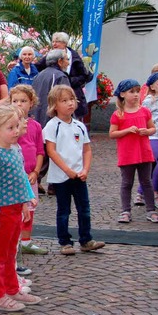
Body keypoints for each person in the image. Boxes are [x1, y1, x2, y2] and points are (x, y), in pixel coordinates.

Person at [0, 105, 41, 311]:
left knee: (10, 253)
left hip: (16, 208)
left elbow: (21, 178)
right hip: (3, 211)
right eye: (11, 127)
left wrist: (26, 200)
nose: (16, 131)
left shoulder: (15, 150)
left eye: (17, 126)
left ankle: (12, 288)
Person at [43, 85, 105, 255]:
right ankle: (65, 241)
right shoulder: (52, 126)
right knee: (64, 210)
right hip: (61, 177)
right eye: (64, 101)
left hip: (79, 175)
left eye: (71, 99)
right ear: (54, 105)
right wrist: (66, 170)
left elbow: (87, 150)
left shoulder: (79, 126)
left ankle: (86, 239)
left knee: (84, 209)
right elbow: (51, 151)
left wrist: (85, 169)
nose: (70, 103)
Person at [109, 79, 158, 224]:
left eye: (138, 91)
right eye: (132, 92)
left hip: (144, 153)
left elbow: (153, 128)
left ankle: (151, 210)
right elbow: (112, 133)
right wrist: (126, 130)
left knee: (147, 182)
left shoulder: (145, 111)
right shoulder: (118, 114)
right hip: (127, 154)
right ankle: (125, 210)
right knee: (127, 183)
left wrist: (147, 131)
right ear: (122, 94)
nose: (136, 95)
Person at [10, 85, 47, 255]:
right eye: (15, 101)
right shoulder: (9, 125)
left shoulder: (36, 126)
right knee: (16, 209)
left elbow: (40, 151)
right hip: (15, 177)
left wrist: (36, 172)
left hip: (31, 176)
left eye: (23, 101)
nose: (19, 104)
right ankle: (14, 240)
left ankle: (26, 241)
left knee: (30, 209)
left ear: (31, 103)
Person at [36, 32, 93, 119]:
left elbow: (84, 76)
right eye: (53, 41)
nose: (54, 44)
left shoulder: (74, 56)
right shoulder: (51, 55)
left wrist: (71, 81)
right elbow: (37, 67)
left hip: (73, 92)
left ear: (65, 43)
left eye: (57, 41)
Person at [141, 72, 158, 205]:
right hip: (154, 135)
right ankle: (153, 192)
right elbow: (142, 118)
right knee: (156, 161)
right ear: (152, 86)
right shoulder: (148, 101)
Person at [31, 49, 71, 128]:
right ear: (60, 61)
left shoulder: (38, 76)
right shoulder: (60, 76)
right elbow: (65, 100)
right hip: (53, 121)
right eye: (67, 59)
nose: (68, 63)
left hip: (36, 119)